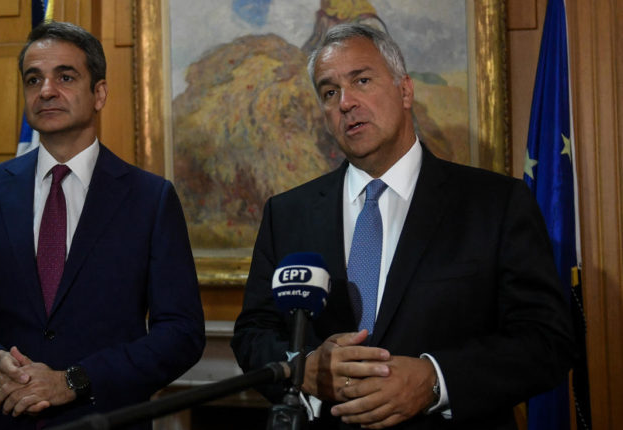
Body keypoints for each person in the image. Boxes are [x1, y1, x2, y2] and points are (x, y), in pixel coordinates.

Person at [231, 23, 574, 429]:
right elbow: (253, 333)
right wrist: (301, 368)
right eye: (329, 92)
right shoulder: (287, 213)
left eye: (361, 80)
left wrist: (435, 380)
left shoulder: (496, 204)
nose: (346, 102)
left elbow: (546, 339)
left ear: (405, 90)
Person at [0, 21, 205, 430]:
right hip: (3, 417)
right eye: (34, 79)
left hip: (102, 418)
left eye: (65, 77)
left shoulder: (150, 198)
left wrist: (75, 381)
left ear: (99, 93)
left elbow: (182, 333)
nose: (46, 90)